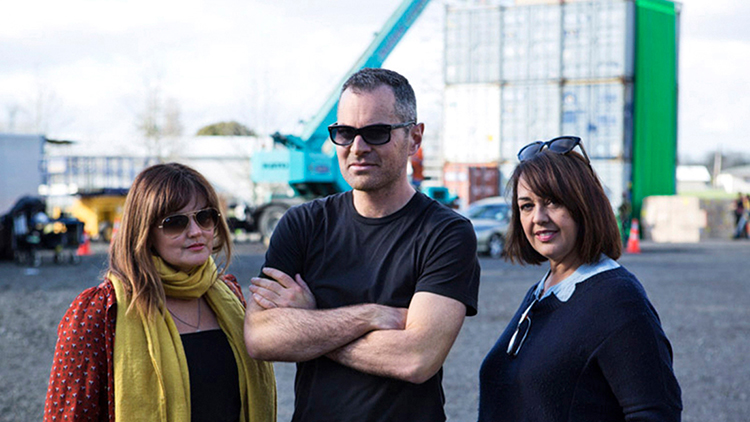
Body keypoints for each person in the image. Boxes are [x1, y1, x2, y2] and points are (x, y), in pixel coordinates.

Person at [244, 68, 480, 422]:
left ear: (414, 138)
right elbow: (261, 338)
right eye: (344, 133)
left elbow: (416, 358)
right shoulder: (302, 225)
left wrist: (308, 323)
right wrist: (370, 316)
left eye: (375, 132)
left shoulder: (446, 233)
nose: (357, 147)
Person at [44, 163, 276, 422]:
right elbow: (68, 415)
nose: (196, 231)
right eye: (175, 222)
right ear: (143, 231)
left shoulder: (231, 296)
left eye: (204, 217)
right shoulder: (100, 312)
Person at [478, 136, 682, 421]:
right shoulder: (542, 291)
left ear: (584, 205)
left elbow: (654, 412)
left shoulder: (617, 299)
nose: (538, 217)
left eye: (553, 202)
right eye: (526, 205)